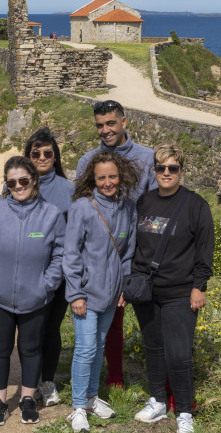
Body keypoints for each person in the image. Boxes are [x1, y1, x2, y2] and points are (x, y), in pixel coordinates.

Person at [0, 156, 65, 426]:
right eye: (12, 182)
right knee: (0, 350)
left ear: (34, 180)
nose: (18, 186)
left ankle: (27, 399)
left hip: (36, 297)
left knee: (31, 349)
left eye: (23, 180)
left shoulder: (51, 214)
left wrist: (47, 285)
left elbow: (60, 253)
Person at [131, 143, 213, 433]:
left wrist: (199, 286)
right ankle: (157, 400)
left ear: (181, 170)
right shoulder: (143, 202)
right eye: (161, 167)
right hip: (146, 290)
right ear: (154, 170)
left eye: (173, 168)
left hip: (180, 291)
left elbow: (205, 251)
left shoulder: (195, 205)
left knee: (178, 354)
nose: (166, 173)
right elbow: (133, 244)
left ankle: (184, 411)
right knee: (153, 348)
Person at [76, 99, 157, 390]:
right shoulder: (87, 161)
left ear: (124, 121)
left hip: (143, 250)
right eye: (100, 125)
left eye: (111, 123)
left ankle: (159, 385)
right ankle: (114, 376)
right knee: (110, 318)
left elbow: (155, 206)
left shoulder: (148, 158)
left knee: (151, 319)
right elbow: (81, 207)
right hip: (106, 252)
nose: (106, 130)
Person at [63, 151, 139, 432]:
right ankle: (78, 407)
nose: (107, 182)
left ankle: (92, 397)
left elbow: (127, 253)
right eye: (101, 178)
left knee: (99, 347)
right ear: (92, 179)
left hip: (112, 294)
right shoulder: (83, 207)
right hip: (86, 293)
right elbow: (70, 255)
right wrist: (75, 294)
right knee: (84, 349)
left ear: (121, 176)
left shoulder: (129, 208)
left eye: (112, 176)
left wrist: (125, 287)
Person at [23, 128, 74, 407]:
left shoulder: (69, 189)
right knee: (31, 328)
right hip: (28, 270)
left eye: (47, 153)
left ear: (55, 157)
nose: (42, 157)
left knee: (51, 328)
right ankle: (30, 381)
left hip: (60, 272)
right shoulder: (18, 185)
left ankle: (48, 380)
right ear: (28, 156)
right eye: (35, 153)